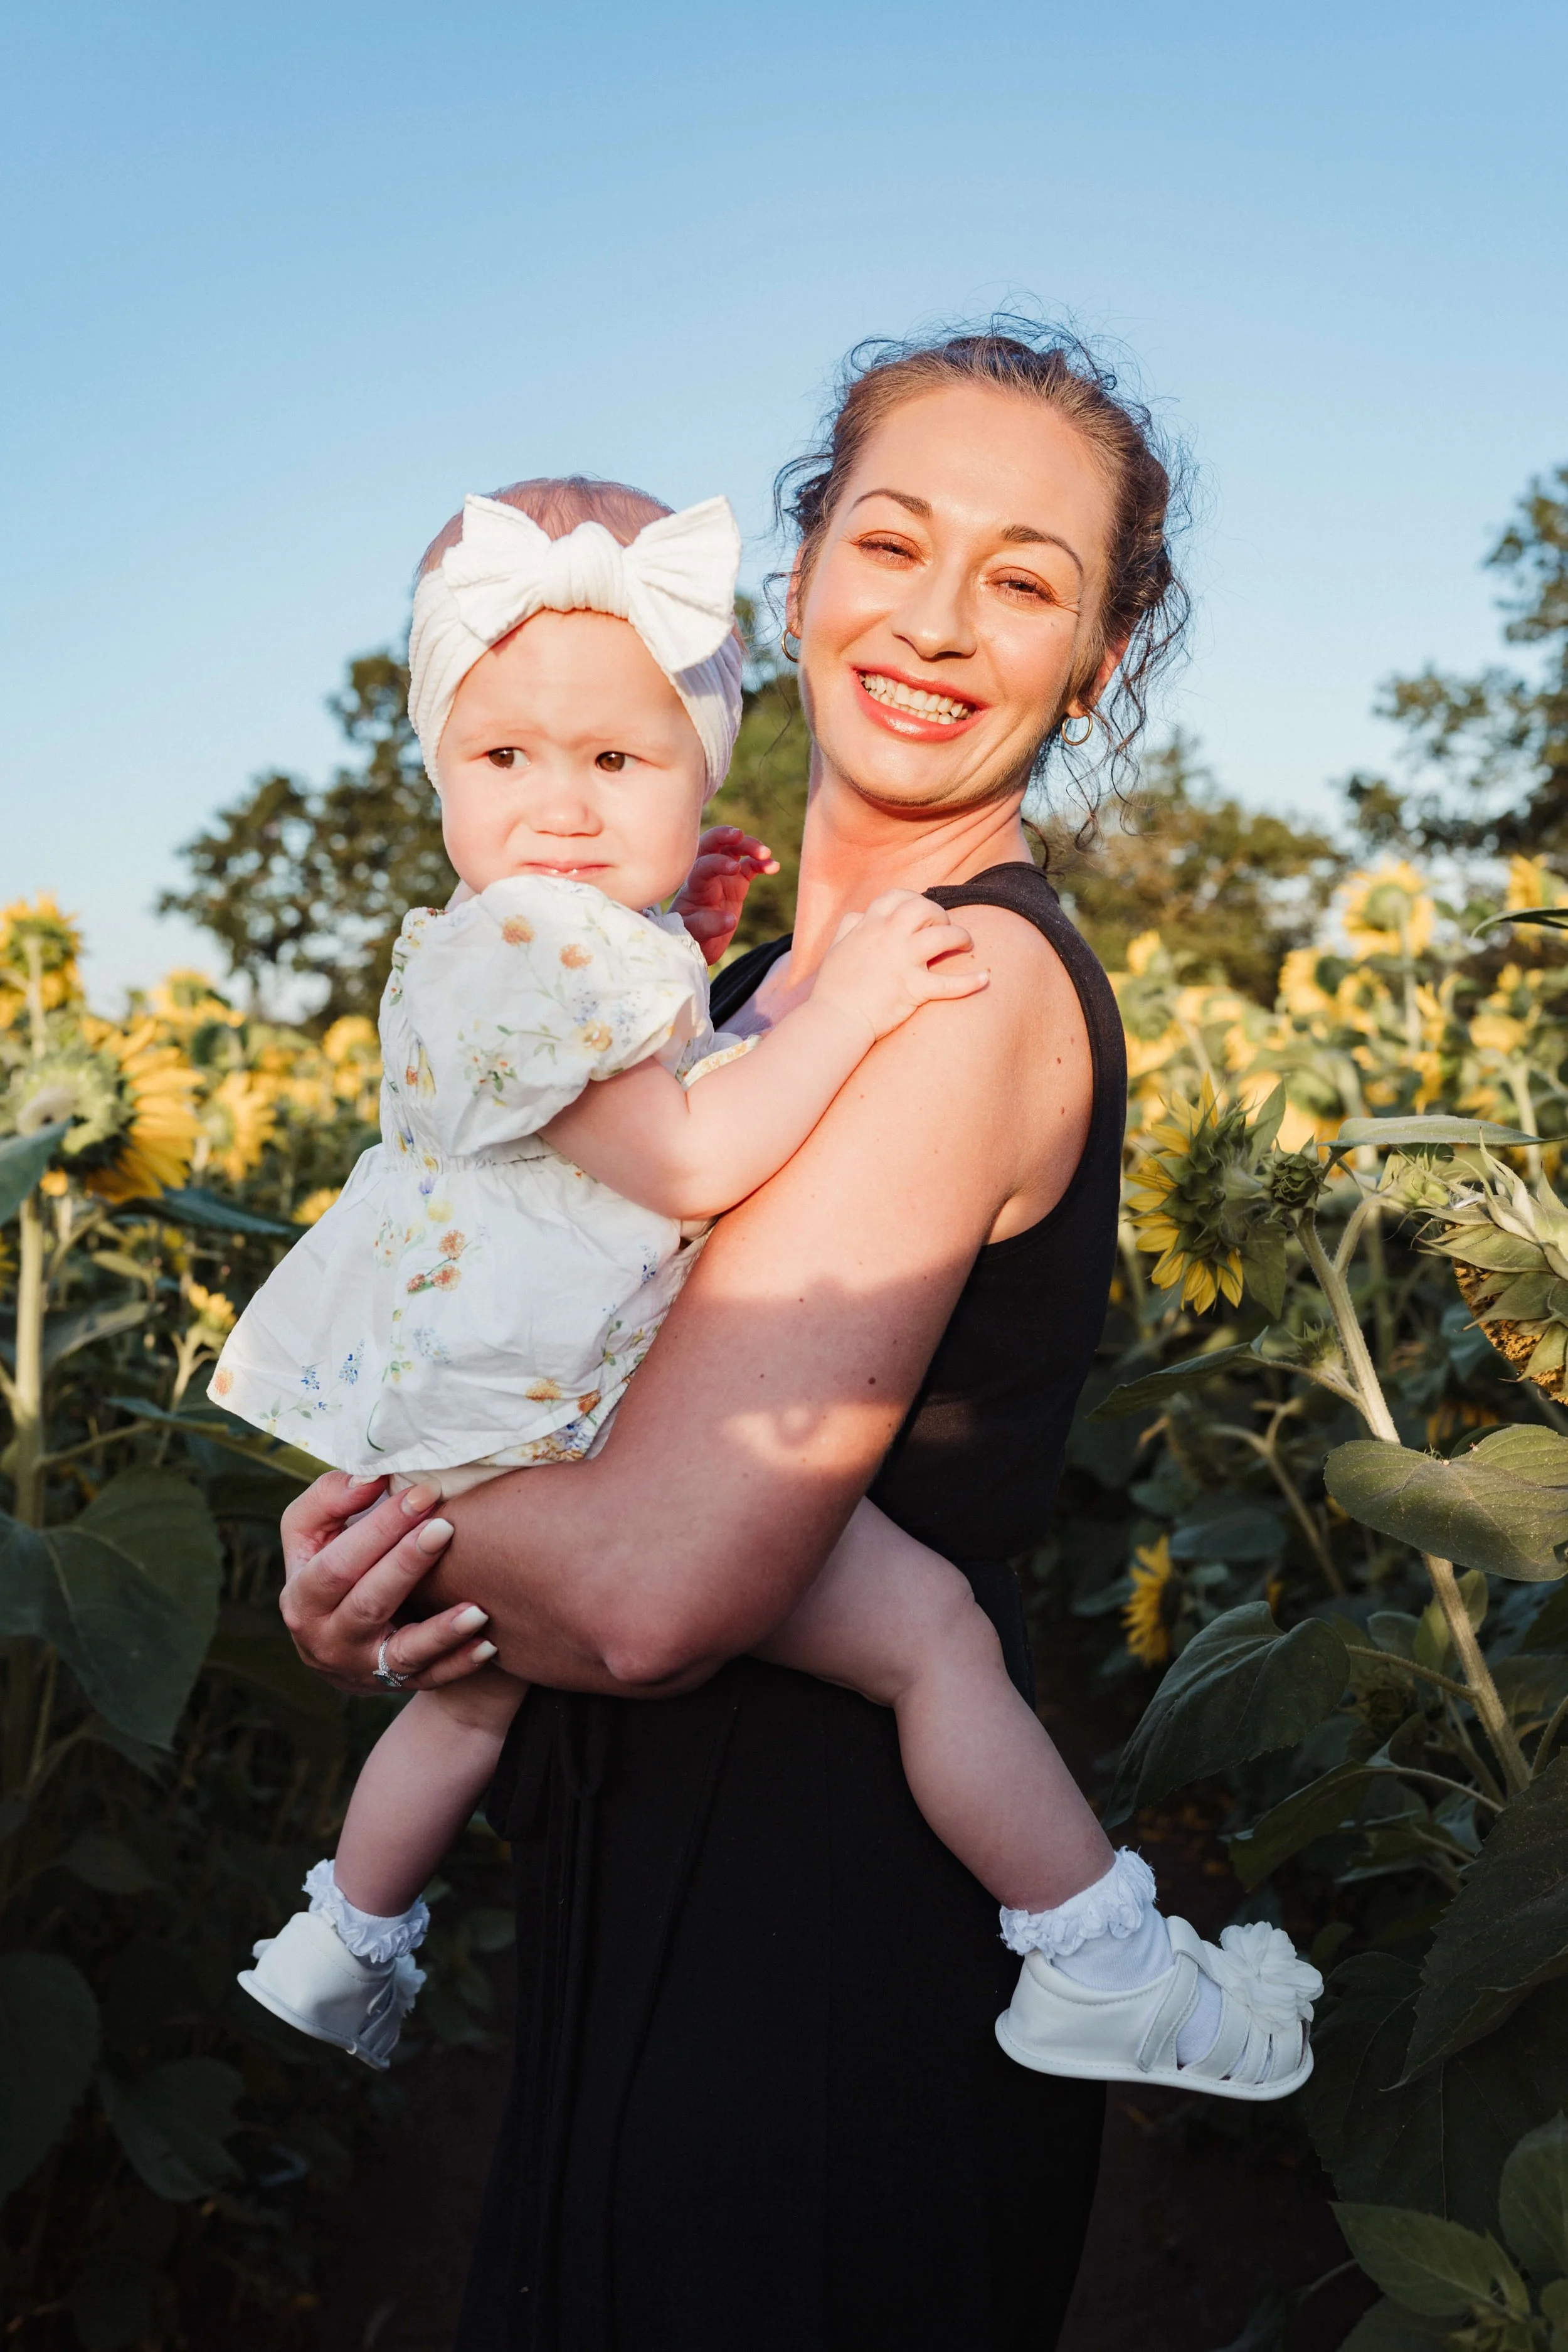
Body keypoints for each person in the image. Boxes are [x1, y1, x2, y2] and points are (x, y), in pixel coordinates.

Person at [275, 322, 1312, 2351]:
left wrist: (418, 1537)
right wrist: (368, 1590)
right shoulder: (731, 981)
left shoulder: (959, 986)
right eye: (893, 542)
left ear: (1095, 663)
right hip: (643, 1860)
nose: (934, 621)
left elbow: (658, 1586)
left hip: (822, 1931)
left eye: (1022, 581)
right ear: (797, 579)